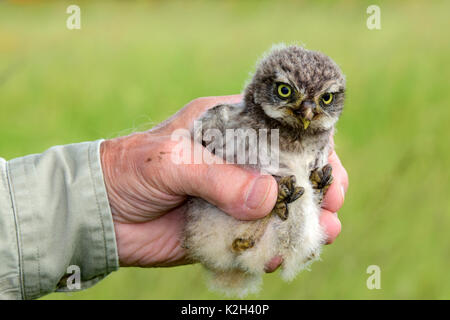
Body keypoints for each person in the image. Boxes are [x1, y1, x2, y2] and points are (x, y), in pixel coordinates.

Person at [0, 95, 348, 299]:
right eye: (288, 93)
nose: (306, 113)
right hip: (219, 226)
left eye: (324, 100)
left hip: (239, 232)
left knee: (303, 195)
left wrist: (95, 202)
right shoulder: (238, 126)